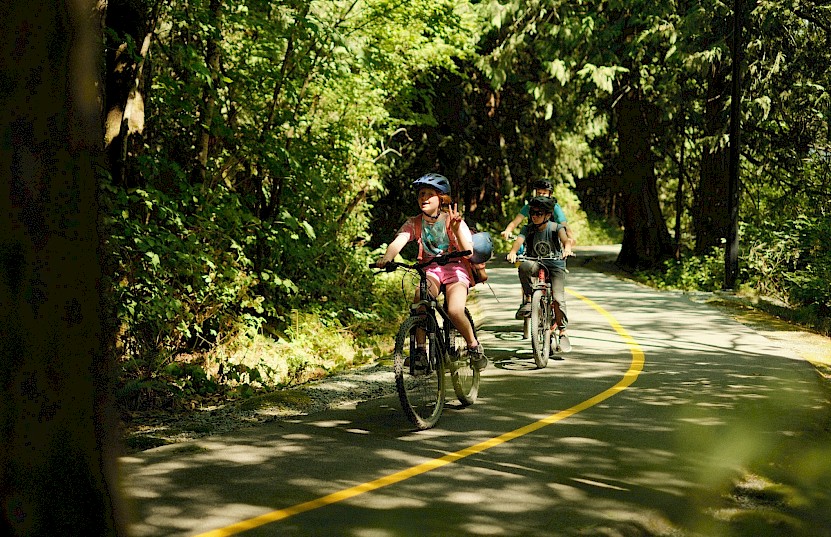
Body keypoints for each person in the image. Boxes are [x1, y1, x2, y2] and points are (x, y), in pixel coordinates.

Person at [375, 173, 488, 370]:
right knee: (421, 298)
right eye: (421, 194)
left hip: (456, 269)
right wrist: (387, 258)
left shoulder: (452, 219)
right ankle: (420, 352)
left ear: (441, 198)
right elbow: (399, 241)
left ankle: (473, 346)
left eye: (429, 194)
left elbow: (468, 250)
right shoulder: (415, 223)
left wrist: (456, 227)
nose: (424, 198)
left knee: (454, 310)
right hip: (431, 270)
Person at [506, 196, 575, 352]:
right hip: (535, 261)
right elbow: (519, 241)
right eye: (532, 213)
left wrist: (567, 248)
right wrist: (512, 252)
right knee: (524, 267)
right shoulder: (528, 228)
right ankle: (530, 299)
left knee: (558, 299)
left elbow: (566, 240)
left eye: (538, 213)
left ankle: (562, 330)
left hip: (555, 263)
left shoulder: (556, 227)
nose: (534, 216)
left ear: (548, 215)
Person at [500, 179, 569, 241]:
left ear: (550, 194)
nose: (541, 195)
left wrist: (569, 239)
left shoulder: (555, 207)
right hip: (532, 237)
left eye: (544, 193)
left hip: (551, 239)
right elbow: (515, 222)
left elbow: (564, 225)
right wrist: (508, 231)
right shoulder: (529, 206)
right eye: (539, 193)